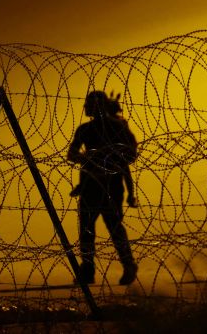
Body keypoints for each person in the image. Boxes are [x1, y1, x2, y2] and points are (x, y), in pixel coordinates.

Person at [67, 90, 138, 285]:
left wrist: (109, 158)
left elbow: (131, 153)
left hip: (111, 184)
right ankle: (88, 269)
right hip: (90, 184)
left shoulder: (117, 127)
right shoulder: (84, 130)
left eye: (91, 104)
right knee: (87, 229)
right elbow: (71, 153)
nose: (87, 108)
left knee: (113, 226)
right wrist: (87, 158)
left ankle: (128, 265)